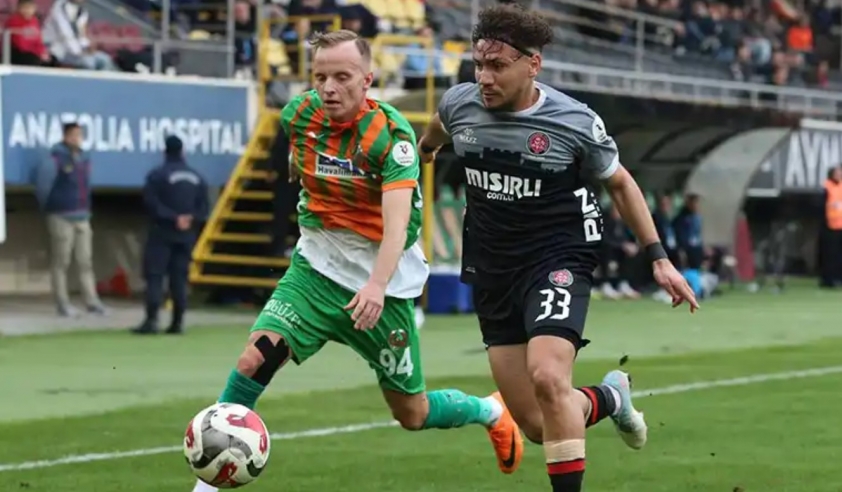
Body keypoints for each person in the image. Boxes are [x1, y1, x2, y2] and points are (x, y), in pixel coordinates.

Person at [189, 30, 520, 492]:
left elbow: (397, 224)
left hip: (382, 287)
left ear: (367, 80)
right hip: (316, 270)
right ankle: (207, 484)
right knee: (254, 359)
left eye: (342, 77)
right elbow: (300, 153)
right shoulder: (298, 115)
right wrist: (299, 172)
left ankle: (490, 411)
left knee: (412, 413)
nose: (329, 88)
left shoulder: (392, 138)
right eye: (320, 77)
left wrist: (376, 286)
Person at [416, 6, 698, 491]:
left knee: (549, 378)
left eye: (497, 66)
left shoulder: (573, 121)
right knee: (536, 424)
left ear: (533, 64)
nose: (484, 78)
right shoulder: (460, 105)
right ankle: (611, 397)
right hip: (493, 267)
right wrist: (420, 154)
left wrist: (659, 259)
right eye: (479, 65)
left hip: (557, 256)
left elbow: (621, 184)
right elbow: (433, 135)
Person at [132, 136, 208, 335]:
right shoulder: (197, 177)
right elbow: (204, 208)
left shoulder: (157, 175)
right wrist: (189, 218)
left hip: (162, 233)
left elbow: (151, 203)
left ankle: (151, 321)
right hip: (186, 236)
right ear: (183, 152)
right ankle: (177, 322)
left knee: (155, 276)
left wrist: (173, 218)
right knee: (179, 279)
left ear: (165, 152)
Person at [35, 122, 107, 318]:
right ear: (66, 136)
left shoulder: (84, 159)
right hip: (61, 216)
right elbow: (43, 187)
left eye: (80, 135)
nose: (77, 139)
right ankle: (63, 303)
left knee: (85, 261)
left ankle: (92, 302)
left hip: (83, 216)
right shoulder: (55, 159)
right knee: (61, 262)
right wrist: (52, 208)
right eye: (74, 135)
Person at [819, 166, 842, 288]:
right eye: (837, 173)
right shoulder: (826, 187)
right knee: (830, 255)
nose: (839, 174)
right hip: (830, 227)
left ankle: (838, 278)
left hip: (840, 226)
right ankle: (828, 279)